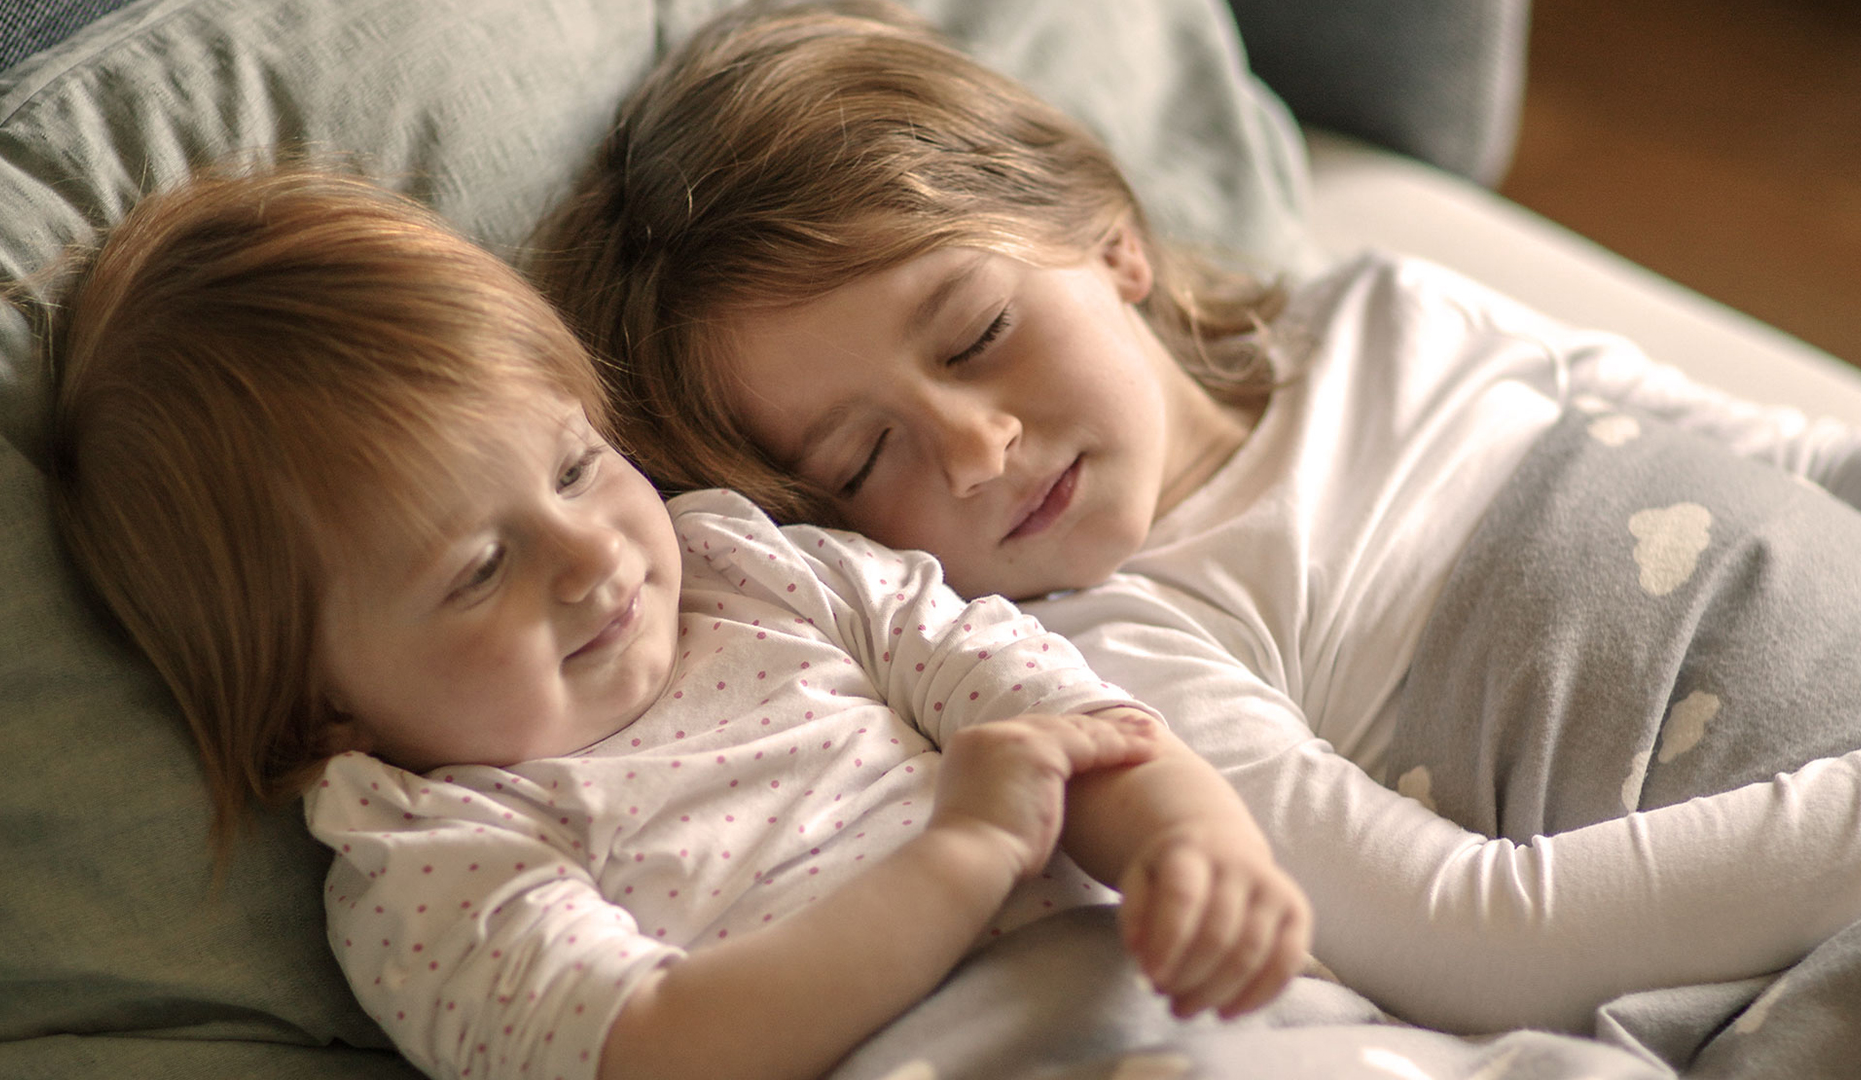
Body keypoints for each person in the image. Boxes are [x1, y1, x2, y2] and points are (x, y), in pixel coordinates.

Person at [533, 0, 1861, 1036]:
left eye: (979, 332)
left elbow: (1804, 454)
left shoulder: (1390, 312)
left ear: (1112, 238)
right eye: (867, 454)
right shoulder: (1114, 650)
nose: (979, 450)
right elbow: (1473, 939)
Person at [43, 166, 1312, 1080]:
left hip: (1199, 1013)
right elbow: (657, 1050)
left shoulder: (757, 570)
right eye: (479, 570)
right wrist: (966, 854)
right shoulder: (434, 861)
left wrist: (1192, 845)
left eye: (577, 466)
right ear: (320, 708)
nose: (592, 556)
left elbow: (1068, 718)